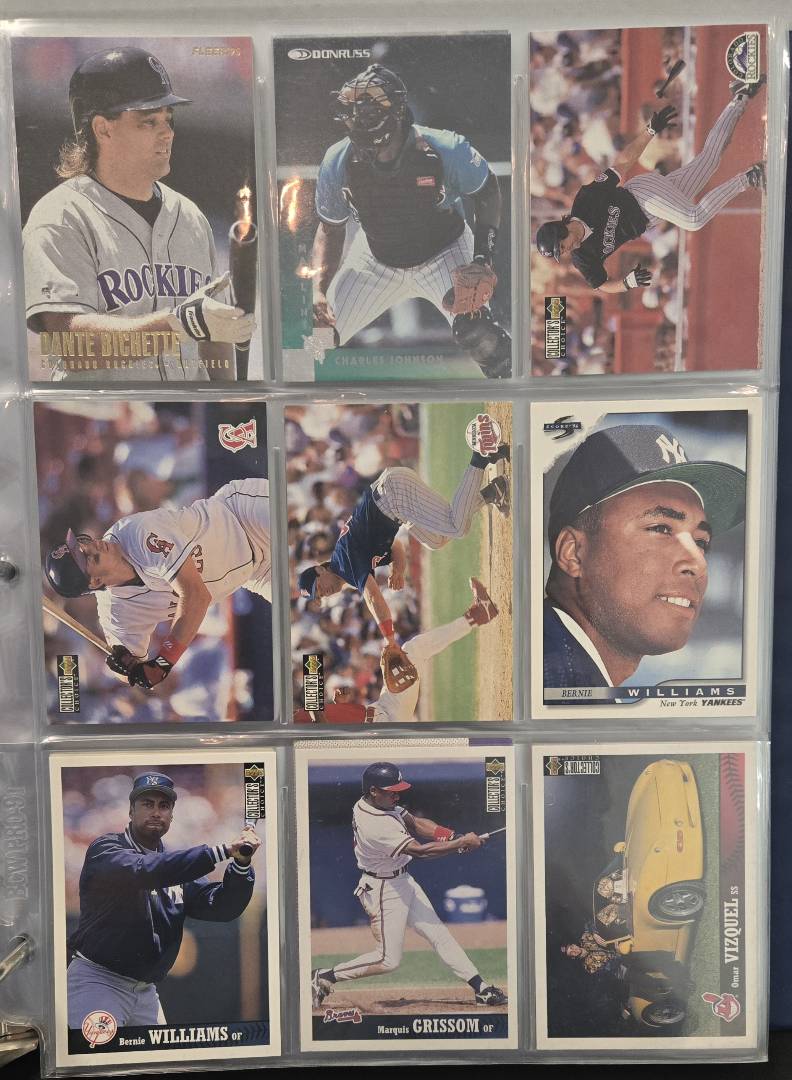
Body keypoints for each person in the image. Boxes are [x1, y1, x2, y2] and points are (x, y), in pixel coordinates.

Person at [23, 46, 254, 382]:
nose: (167, 133)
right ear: (103, 129)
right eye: (149, 121)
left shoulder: (191, 217)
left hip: (187, 413)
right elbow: (69, 345)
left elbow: (214, 342)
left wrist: (231, 402)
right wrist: (179, 324)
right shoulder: (61, 216)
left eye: (168, 119)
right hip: (107, 413)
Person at [311, 63, 511, 378]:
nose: (358, 119)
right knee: (316, 343)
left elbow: (487, 191)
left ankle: (515, 392)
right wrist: (319, 291)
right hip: (374, 260)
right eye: (353, 111)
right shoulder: (337, 160)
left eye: (368, 110)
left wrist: (482, 260)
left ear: (396, 110)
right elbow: (330, 228)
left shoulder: (445, 148)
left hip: (445, 252)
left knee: (478, 335)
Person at [543, 423, 745, 689]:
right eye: (660, 528)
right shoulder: (550, 680)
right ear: (574, 553)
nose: (698, 563)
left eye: (701, 542)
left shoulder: (571, 675)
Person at [535, 77, 766, 293]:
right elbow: (602, 285)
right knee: (709, 160)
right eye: (561, 252)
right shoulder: (582, 258)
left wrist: (650, 131)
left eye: (561, 246)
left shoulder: (586, 200)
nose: (565, 251)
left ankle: (749, 177)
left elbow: (621, 164)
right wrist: (626, 283)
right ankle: (740, 96)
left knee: (693, 219)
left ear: (560, 230)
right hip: (649, 217)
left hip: (641, 194)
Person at [66, 771, 261, 1028]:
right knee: (95, 1054)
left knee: (160, 1056)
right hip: (99, 982)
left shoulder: (175, 864)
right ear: (131, 811)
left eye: (164, 805)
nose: (156, 812)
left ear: (171, 815)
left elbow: (222, 907)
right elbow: (145, 870)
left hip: (146, 992)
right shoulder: (106, 849)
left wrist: (241, 865)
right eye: (147, 804)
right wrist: (222, 851)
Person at [310, 762, 507, 1009]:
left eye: (398, 791)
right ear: (373, 790)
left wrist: (453, 836)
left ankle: (481, 988)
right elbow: (420, 852)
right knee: (388, 960)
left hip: (402, 880)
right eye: (391, 791)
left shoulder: (376, 803)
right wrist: (459, 845)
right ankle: (325, 976)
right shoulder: (375, 824)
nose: (397, 796)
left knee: (438, 934)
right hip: (383, 889)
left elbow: (415, 823)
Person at [44, 477, 270, 690]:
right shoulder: (116, 612)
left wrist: (162, 663)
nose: (93, 545)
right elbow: (130, 674)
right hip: (257, 573)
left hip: (243, 514)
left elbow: (196, 596)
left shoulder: (134, 533)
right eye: (88, 557)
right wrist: (127, 669)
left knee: (290, 525)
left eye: (83, 544)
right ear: (95, 582)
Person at [297, 442, 509, 649]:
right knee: (436, 540)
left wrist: (390, 641)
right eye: (320, 595)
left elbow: (373, 597)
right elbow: (396, 547)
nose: (324, 592)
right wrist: (397, 570)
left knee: (457, 527)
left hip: (393, 495)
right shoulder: (345, 567)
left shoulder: (343, 564)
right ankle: (492, 492)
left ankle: (479, 458)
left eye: (319, 587)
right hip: (394, 502)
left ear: (320, 570)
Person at [294, 577, 498, 723]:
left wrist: (339, 704)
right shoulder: (292, 733)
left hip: (381, 710)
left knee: (412, 650)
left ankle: (479, 614)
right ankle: (478, 615)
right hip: (385, 726)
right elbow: (320, 730)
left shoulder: (292, 719)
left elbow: (328, 724)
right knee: (413, 651)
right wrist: (313, 688)